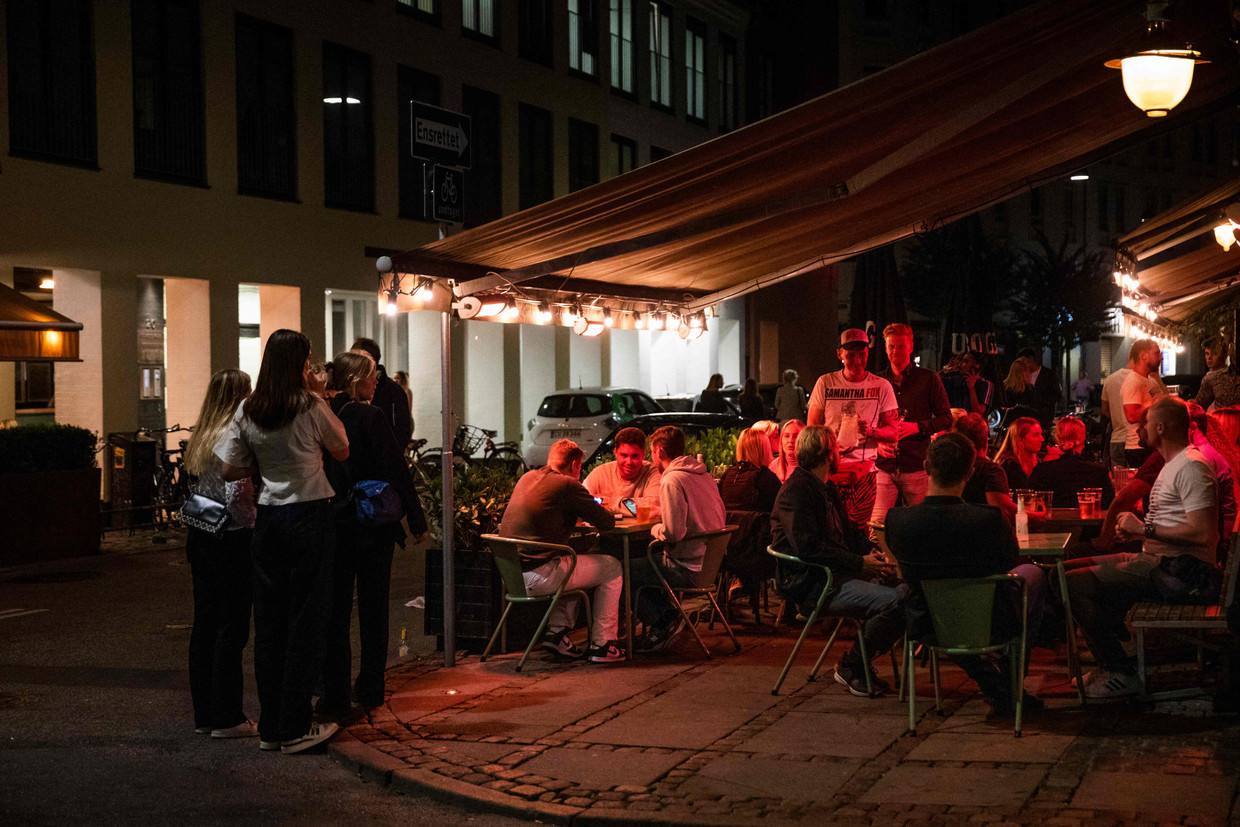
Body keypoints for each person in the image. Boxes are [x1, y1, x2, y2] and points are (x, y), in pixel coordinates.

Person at [215, 329, 348, 755]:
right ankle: (293, 725)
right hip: (310, 514)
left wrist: (263, 460)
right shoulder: (308, 405)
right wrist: (319, 396)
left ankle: (272, 723)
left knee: (269, 623)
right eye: (308, 361)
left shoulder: (248, 408)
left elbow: (227, 469)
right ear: (298, 364)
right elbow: (342, 448)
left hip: (268, 518)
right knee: (306, 619)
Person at [1066, 396, 1219, 699]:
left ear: (1160, 427)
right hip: (1158, 561)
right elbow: (1174, 525)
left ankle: (1120, 672)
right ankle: (1119, 651)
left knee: (1070, 583)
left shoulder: (1192, 466)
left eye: (1146, 423)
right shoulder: (1173, 464)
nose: (1142, 428)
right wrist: (1136, 531)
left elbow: (1203, 534)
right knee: (1061, 573)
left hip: (1181, 574)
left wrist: (1143, 528)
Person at [886, 432, 1048, 716]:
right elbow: (1010, 560)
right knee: (1032, 575)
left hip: (926, 624)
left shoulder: (898, 520)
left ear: (926, 467)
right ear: (970, 472)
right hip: (988, 621)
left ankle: (999, 686)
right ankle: (1010, 684)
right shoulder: (988, 519)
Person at [320, 351, 428, 716]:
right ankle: (370, 685)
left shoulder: (325, 415)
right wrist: (416, 520)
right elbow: (397, 470)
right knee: (373, 606)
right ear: (355, 381)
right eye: (371, 375)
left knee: (336, 608)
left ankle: (333, 684)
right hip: (373, 523)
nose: (377, 380)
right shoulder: (371, 416)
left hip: (335, 521)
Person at [769, 425, 903, 696]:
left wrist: (870, 553)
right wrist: (859, 563)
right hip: (814, 584)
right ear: (826, 454)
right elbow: (808, 547)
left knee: (909, 592)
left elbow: (849, 532)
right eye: (836, 449)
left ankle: (857, 663)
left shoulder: (824, 487)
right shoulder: (797, 492)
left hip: (837, 574)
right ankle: (852, 665)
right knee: (896, 601)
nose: (840, 453)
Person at [498, 439, 625, 663]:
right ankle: (603, 644)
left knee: (572, 562)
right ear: (575, 464)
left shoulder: (527, 477)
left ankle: (556, 633)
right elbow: (606, 523)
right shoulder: (567, 485)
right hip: (540, 575)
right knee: (612, 567)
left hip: (512, 573)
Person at [183, 369, 257, 740]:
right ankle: (228, 715)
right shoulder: (235, 432)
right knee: (233, 625)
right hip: (230, 537)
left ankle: (205, 714)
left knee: (205, 625)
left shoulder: (200, 433)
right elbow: (238, 494)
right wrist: (255, 522)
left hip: (201, 533)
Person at [632, 426, 727, 654]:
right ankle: (669, 619)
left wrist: (655, 529)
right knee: (648, 563)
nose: (650, 457)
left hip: (688, 567)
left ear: (660, 451)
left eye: (651, 452)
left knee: (624, 569)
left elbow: (674, 533)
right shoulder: (703, 475)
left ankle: (665, 621)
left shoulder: (672, 480)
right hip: (710, 564)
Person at [807, 329, 900, 527]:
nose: (857, 361)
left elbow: (893, 432)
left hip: (864, 472)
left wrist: (871, 432)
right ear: (839, 354)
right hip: (829, 470)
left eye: (862, 354)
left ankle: (858, 558)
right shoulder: (826, 383)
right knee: (829, 526)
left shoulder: (882, 386)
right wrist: (832, 442)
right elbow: (812, 428)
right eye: (851, 355)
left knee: (858, 529)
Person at [872, 323, 952, 526]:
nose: (895, 351)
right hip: (884, 465)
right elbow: (868, 422)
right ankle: (883, 558)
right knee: (878, 524)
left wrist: (917, 427)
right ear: (885, 347)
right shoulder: (877, 381)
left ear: (910, 347)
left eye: (900, 346)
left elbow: (946, 418)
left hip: (916, 464)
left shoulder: (928, 379)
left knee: (923, 524)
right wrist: (878, 443)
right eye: (891, 347)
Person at [1026, 416, 1114, 509]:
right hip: (1088, 522)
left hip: (1052, 522)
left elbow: (1024, 498)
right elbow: (1110, 505)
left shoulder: (1043, 470)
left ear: (1058, 438)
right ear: (1082, 439)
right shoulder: (1099, 472)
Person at [350, 337, 412, 452]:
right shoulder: (349, 389)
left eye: (353, 356)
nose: (350, 361)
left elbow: (401, 431)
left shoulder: (393, 391)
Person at [953, 413, 1016, 522]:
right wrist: (1036, 517)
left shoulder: (945, 466)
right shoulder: (991, 470)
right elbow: (1003, 510)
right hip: (983, 532)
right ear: (986, 441)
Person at [583, 426, 662, 512]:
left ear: (643, 453)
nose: (629, 462)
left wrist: (610, 501)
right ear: (616, 452)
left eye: (634, 456)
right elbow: (582, 501)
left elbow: (651, 508)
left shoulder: (653, 473)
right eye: (624, 455)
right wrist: (634, 505)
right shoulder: (600, 473)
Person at [1121, 339, 1163, 467]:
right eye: (1156, 353)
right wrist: (1154, 404)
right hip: (1138, 448)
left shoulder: (1151, 380)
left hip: (1152, 445)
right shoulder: (1133, 381)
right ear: (1143, 356)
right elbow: (1132, 415)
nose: (1160, 358)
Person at [719, 427, 781, 513]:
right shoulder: (764, 477)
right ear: (764, 449)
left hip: (728, 525)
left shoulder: (728, 474)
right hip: (757, 525)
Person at [1100, 354, 1135, 468]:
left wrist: (1117, 417)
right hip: (1136, 441)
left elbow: (1105, 410)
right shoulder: (1145, 379)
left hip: (1116, 439)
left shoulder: (1110, 379)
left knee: (1119, 482)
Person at [992, 416, 1043, 490]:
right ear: (1021, 439)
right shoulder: (1009, 466)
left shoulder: (1036, 461)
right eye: (1036, 435)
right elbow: (1024, 493)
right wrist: (1045, 468)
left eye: (1041, 434)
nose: (1042, 439)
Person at [1016, 347, 1062, 425]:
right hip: (1026, 419)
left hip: (1043, 418)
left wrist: (1040, 400)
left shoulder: (1049, 375)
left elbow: (1056, 396)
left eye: (1023, 361)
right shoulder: (1021, 375)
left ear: (1030, 359)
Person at [940, 350, 993, 417]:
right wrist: (945, 370)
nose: (960, 364)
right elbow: (933, 383)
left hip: (971, 425)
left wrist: (971, 388)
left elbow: (978, 412)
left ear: (976, 366)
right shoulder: (956, 379)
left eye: (965, 361)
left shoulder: (985, 384)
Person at [1195, 336, 1240, 410]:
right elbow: (1198, 407)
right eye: (1207, 353)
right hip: (1220, 419)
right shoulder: (1209, 378)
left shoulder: (1231, 374)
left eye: (1214, 353)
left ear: (1225, 355)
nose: (1209, 357)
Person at [769, 419, 804, 483]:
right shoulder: (774, 466)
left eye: (796, 436)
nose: (790, 440)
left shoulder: (812, 467)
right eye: (787, 436)